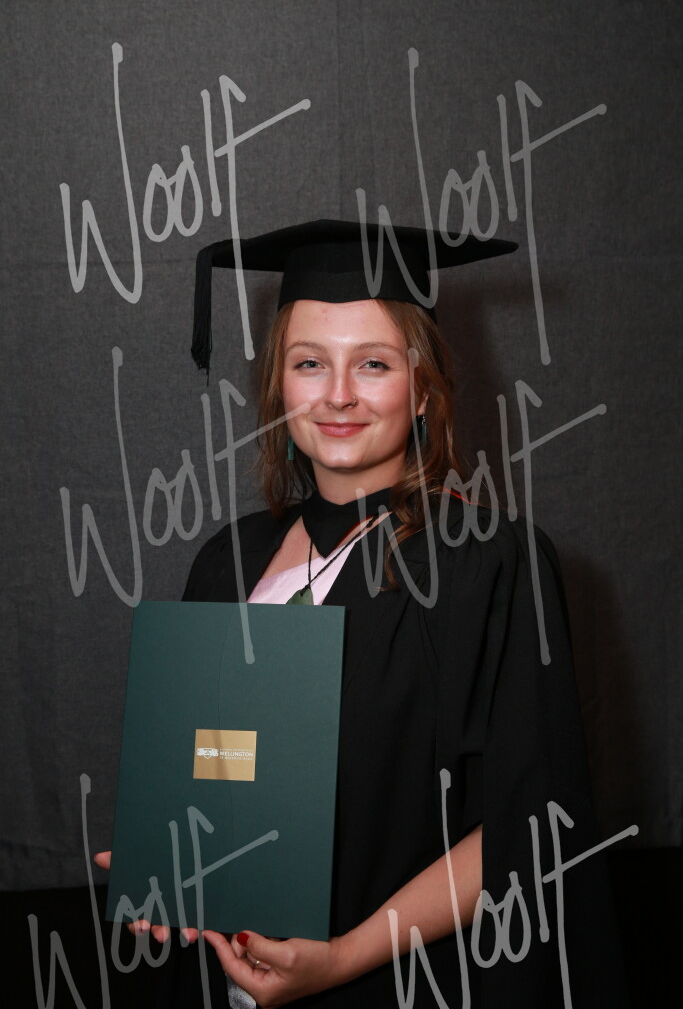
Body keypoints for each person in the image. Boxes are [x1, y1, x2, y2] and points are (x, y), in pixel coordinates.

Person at [99, 220, 629, 1007]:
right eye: (308, 363)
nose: (337, 394)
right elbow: (213, 768)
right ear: (278, 385)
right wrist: (165, 861)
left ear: (424, 387)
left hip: (399, 984)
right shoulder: (228, 560)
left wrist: (341, 960)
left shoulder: (488, 562)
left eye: (373, 363)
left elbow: (528, 824)